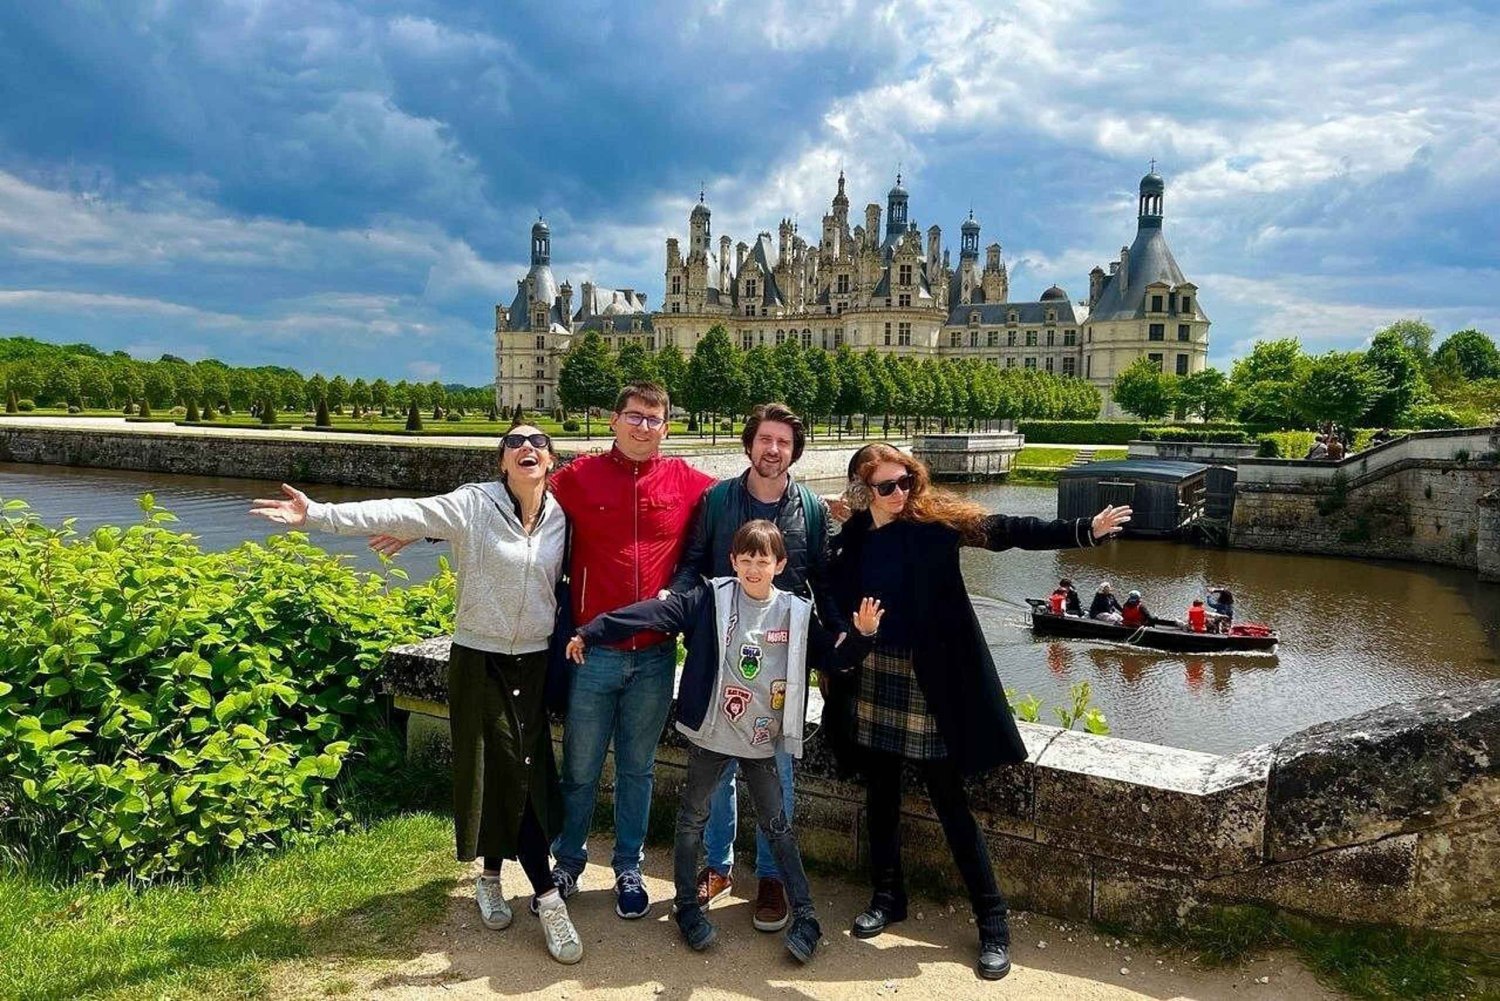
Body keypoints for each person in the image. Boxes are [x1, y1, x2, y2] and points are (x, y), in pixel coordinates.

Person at [366, 382, 713, 921]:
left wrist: (841, 506)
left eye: (654, 419)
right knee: (579, 764)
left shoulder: (690, 483)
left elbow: (743, 507)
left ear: (667, 427)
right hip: (590, 650)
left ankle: (628, 867)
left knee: (638, 769)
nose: (643, 427)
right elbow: (508, 501)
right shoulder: (577, 477)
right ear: (613, 420)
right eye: (634, 416)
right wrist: (424, 532)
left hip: (654, 652)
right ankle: (568, 862)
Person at [248, 427, 584, 965]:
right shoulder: (472, 505)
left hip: (536, 659)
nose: (528, 447)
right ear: (501, 459)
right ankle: (547, 900)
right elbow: (402, 510)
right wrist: (318, 515)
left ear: (552, 459)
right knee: (504, 765)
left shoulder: (561, 517)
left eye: (539, 442)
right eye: (515, 441)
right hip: (481, 657)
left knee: (519, 768)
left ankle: (492, 875)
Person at [824, 443, 1131, 981]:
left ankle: (992, 920)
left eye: (906, 482)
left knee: (949, 802)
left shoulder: (935, 523)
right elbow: (827, 590)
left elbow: (1010, 530)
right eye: (887, 487)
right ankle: (888, 896)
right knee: (882, 795)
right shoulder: (849, 539)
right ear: (861, 490)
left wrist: (1085, 529)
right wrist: (847, 634)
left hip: (933, 678)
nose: (901, 494)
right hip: (877, 674)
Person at [567, 521, 883, 962]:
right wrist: (594, 630)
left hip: (762, 738)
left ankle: (807, 914)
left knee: (778, 826)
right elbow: (656, 614)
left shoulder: (795, 612)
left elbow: (832, 657)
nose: (754, 568)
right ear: (733, 561)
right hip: (713, 734)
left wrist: (863, 636)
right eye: (746, 560)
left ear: (780, 564)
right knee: (692, 818)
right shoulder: (709, 598)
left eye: (763, 560)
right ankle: (686, 904)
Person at [665, 402, 847, 931]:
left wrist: (834, 638)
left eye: (784, 443)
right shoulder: (720, 499)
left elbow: (823, 579)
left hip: (782, 659)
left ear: (794, 450)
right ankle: (718, 867)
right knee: (716, 759)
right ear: (750, 444)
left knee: (778, 766)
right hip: (722, 653)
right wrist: (674, 605)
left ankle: (770, 874)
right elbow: (693, 564)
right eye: (766, 440)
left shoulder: (809, 506)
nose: (773, 450)